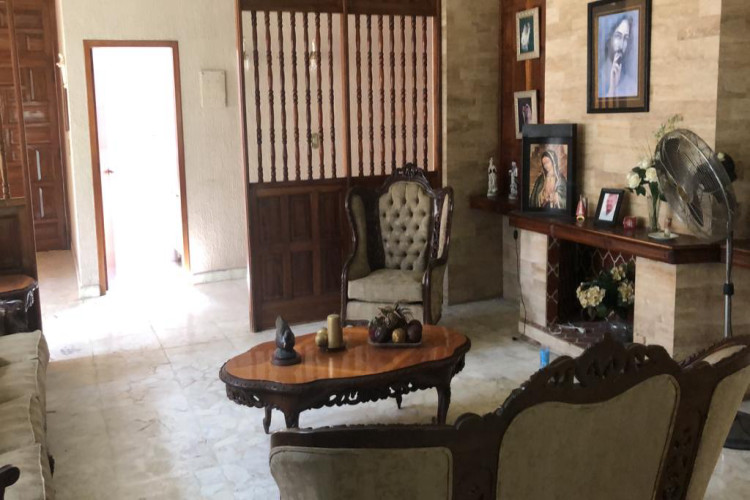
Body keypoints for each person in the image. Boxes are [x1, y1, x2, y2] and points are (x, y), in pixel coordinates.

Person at [599, 14, 637, 98]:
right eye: (618, 36)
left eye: (625, 38)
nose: (621, 44)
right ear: (609, 39)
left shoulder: (631, 85)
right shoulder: (598, 77)